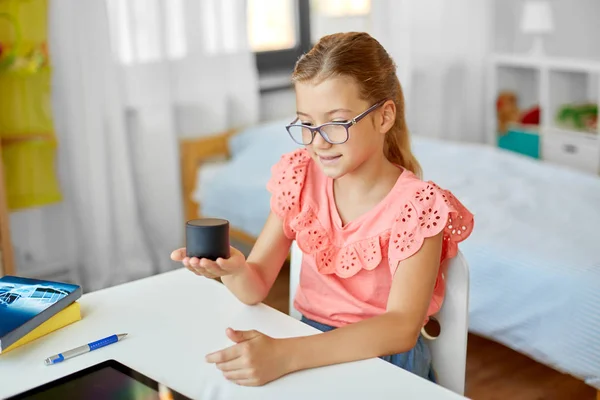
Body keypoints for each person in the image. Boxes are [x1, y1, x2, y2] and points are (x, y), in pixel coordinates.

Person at [170, 31, 474, 387]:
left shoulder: (418, 207)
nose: (318, 142)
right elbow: (255, 286)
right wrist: (233, 269)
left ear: (383, 117)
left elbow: (401, 328)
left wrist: (285, 355)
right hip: (307, 346)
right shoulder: (300, 178)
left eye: (336, 124)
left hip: (385, 364)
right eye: (308, 124)